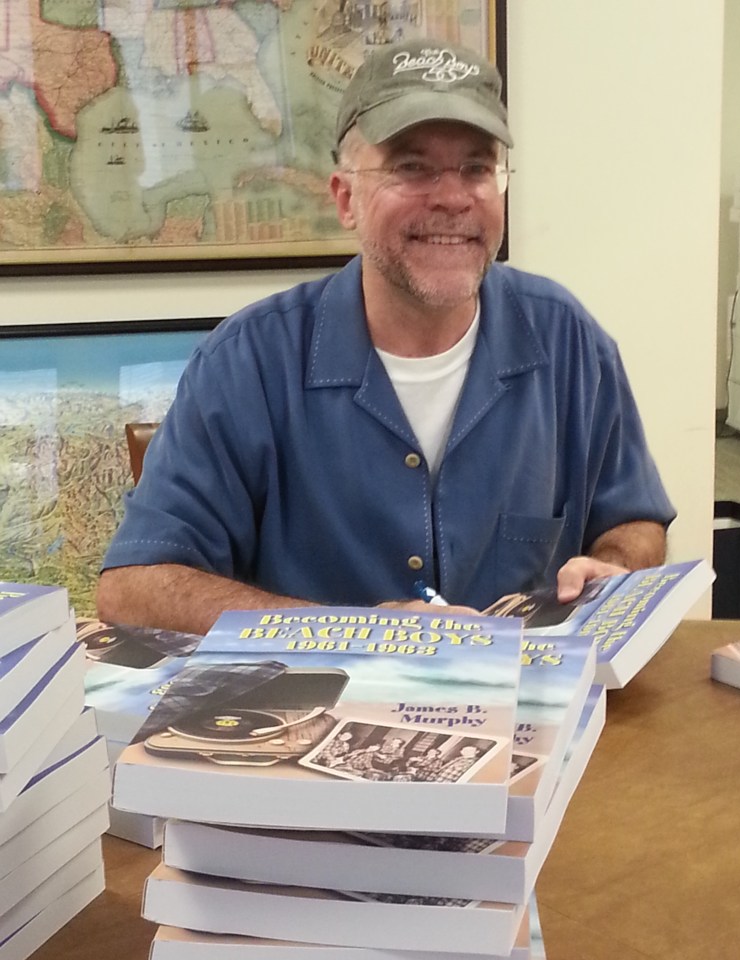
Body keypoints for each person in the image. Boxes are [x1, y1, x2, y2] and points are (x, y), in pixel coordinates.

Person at [97, 38, 675, 635]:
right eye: (411, 166)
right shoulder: (247, 364)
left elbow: (634, 520)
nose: (453, 198)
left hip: (534, 713)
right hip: (315, 714)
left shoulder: (568, 342)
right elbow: (134, 586)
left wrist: (613, 567)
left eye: (477, 167)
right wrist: (352, 633)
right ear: (346, 198)